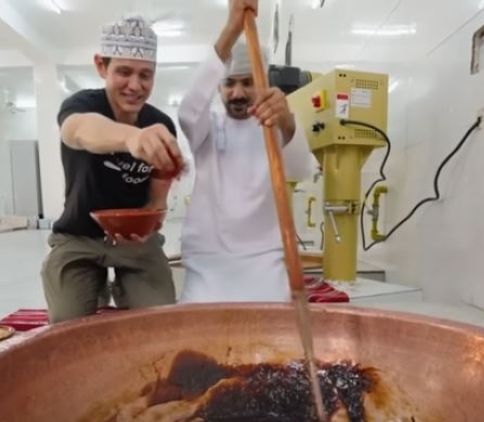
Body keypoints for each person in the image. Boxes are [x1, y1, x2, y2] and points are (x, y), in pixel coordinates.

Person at [41, 14, 184, 323]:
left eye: (146, 75)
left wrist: (151, 219)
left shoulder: (161, 123)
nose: (135, 85)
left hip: (135, 241)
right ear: (101, 66)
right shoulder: (82, 106)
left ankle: (125, 286)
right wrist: (132, 138)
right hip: (78, 236)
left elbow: (158, 196)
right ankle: (94, 285)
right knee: (68, 324)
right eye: (124, 72)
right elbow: (77, 131)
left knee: (160, 321)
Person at [176, 0, 319, 304]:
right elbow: (188, 114)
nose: (238, 93)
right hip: (208, 264)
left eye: (248, 83)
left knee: (272, 342)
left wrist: (287, 122)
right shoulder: (207, 128)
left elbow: (299, 168)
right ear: (218, 88)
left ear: (263, 83)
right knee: (200, 342)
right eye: (229, 83)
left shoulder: (276, 122)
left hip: (264, 263)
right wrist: (231, 27)